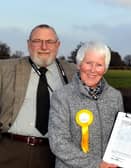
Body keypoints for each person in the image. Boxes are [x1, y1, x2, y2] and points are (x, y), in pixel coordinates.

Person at [0, 24, 76, 168]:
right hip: (9, 151)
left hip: (53, 155)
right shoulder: (5, 69)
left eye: (50, 42)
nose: (44, 46)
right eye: (37, 41)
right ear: (29, 44)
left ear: (58, 45)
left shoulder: (73, 73)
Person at [48, 41, 125, 168]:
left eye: (99, 65)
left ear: (105, 69)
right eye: (88, 63)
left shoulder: (115, 96)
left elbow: (119, 137)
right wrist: (96, 164)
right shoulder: (61, 97)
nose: (93, 70)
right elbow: (58, 143)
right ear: (79, 64)